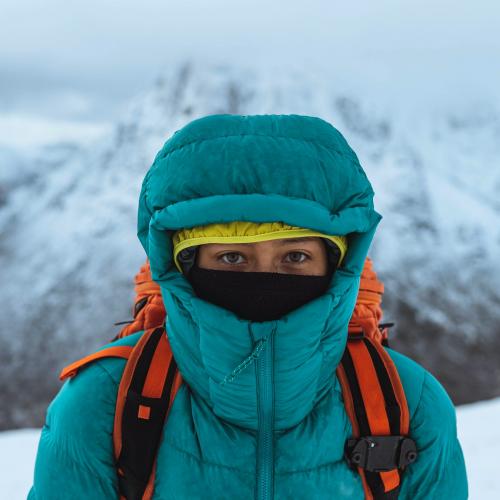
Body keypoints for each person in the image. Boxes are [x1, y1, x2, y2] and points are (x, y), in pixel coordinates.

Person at [29, 114, 468, 499]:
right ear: (183, 266)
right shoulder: (102, 403)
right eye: (231, 258)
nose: (263, 278)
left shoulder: (410, 406)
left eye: (295, 257)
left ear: (337, 266)